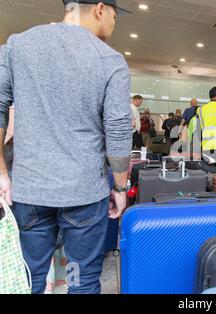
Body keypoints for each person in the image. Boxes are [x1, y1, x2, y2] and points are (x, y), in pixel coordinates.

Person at [0, 0, 132, 294]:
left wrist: (1, 172)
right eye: (114, 15)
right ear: (100, 9)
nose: (113, 23)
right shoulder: (109, 60)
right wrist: (120, 189)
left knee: (29, 278)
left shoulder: (18, 45)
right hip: (83, 198)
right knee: (79, 279)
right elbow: (119, 131)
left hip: (29, 192)